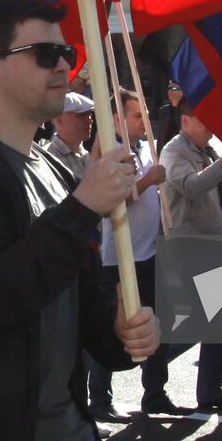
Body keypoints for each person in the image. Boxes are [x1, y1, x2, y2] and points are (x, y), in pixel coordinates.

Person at [0, 0, 159, 440]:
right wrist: (81, 209)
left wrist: (119, 332)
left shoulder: (56, 171)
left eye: (67, 53)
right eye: (44, 54)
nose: (62, 66)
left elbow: (73, 307)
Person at [87, 88, 184, 422]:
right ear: (116, 119)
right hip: (120, 259)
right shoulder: (109, 153)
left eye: (144, 115)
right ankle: (99, 398)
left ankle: (155, 394)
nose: (144, 122)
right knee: (114, 327)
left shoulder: (143, 148)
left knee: (160, 325)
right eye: (135, 116)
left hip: (149, 253)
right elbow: (113, 200)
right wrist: (147, 181)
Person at [159, 97, 222, 412]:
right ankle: (155, 359)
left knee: (216, 319)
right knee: (204, 319)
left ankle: (210, 392)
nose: (211, 126)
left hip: (213, 243)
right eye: (204, 118)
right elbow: (191, 186)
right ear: (186, 120)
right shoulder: (175, 151)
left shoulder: (206, 151)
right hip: (189, 244)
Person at [46, 91, 94, 182]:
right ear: (59, 119)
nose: (90, 121)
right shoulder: (49, 157)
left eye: (90, 115)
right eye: (82, 115)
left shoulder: (86, 155)